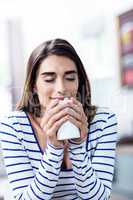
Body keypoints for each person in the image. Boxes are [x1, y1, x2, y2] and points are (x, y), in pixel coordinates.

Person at [0, 38, 117, 200]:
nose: (62, 89)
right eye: (49, 79)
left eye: (70, 78)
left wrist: (77, 145)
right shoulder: (13, 126)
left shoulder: (103, 121)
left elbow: (99, 198)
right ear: (34, 85)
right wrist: (54, 149)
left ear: (79, 82)